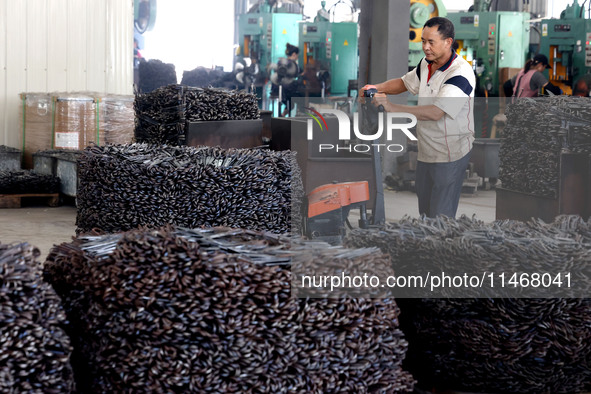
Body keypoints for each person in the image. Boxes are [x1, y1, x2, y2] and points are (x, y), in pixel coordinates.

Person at [360, 17, 474, 218]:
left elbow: (436, 112)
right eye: (423, 41)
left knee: (441, 216)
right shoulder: (427, 64)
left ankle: (441, 248)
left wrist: (391, 107)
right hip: (427, 150)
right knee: (425, 212)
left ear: (448, 42)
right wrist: (376, 87)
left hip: (450, 153)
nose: (425, 47)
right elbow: (404, 83)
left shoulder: (460, 74)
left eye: (431, 42)